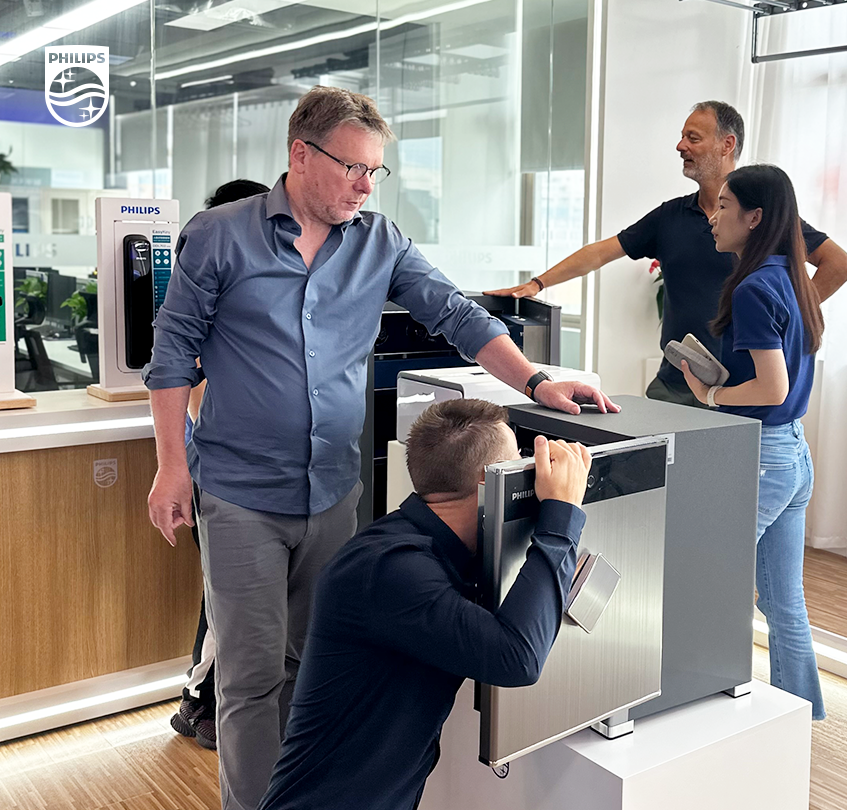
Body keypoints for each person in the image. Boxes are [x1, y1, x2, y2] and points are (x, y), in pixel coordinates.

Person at [142, 86, 616, 810]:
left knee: (316, 667)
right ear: (301, 156)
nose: (367, 185)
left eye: (376, 172)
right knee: (249, 678)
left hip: (332, 491)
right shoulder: (219, 235)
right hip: (239, 496)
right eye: (353, 168)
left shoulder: (381, 241)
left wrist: (536, 379)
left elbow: (455, 314)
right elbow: (173, 354)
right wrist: (171, 468)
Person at [258, 399, 591, 810]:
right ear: (493, 485)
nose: (527, 468)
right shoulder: (387, 570)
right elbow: (516, 657)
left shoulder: (438, 553)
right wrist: (561, 516)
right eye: (518, 462)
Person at [486, 101, 847, 408]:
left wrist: (786, 318)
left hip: (736, 387)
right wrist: (537, 284)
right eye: (681, 137)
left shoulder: (763, 219)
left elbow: (840, 265)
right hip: (677, 381)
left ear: (727, 144)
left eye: (692, 138)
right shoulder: (671, 216)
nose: (680, 146)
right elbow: (601, 253)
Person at [679, 164, 826, 720]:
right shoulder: (794, 275)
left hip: (764, 456)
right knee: (785, 603)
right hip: (793, 453)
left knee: (708, 574)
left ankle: (700, 701)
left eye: (723, 207)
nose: (713, 217)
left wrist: (710, 396)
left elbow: (771, 385)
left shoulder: (754, 286)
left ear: (754, 217)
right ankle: (800, 715)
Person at [170, 179, 271, 750]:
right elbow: (193, 390)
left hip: (252, 476)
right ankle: (196, 703)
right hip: (218, 472)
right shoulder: (210, 283)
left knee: (241, 605)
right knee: (223, 603)